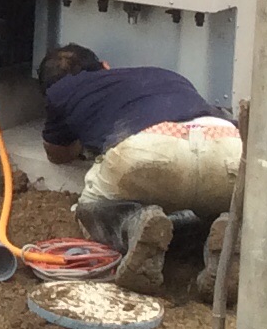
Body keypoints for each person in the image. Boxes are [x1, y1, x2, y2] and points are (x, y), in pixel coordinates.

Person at [37, 43, 241, 295]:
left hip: (147, 148)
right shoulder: (166, 74)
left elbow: (57, 153)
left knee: (90, 208)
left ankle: (135, 226)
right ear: (105, 66)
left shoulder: (60, 90)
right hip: (224, 141)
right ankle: (228, 233)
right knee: (218, 198)